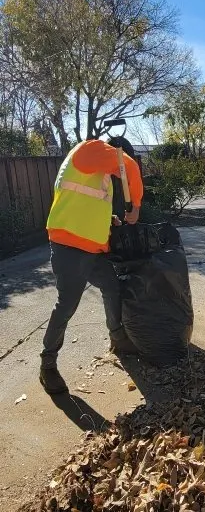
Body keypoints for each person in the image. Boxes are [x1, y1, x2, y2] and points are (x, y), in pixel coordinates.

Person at [40, 136, 143, 395]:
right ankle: (48, 365)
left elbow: (83, 201)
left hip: (92, 247)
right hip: (70, 247)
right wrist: (136, 206)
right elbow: (128, 166)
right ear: (114, 151)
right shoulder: (91, 149)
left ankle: (118, 339)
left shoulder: (91, 166)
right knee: (67, 305)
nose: (116, 176)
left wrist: (109, 219)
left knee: (111, 286)